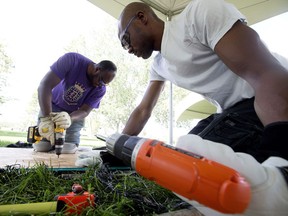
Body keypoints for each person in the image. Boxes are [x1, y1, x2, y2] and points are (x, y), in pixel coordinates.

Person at [116, 0, 288, 214]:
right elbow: (143, 110)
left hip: (270, 101)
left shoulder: (198, 16)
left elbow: (266, 74)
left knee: (184, 163)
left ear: (142, 17)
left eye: (125, 39)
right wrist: (117, 144)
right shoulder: (159, 65)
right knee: (175, 160)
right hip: (233, 113)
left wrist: (279, 160)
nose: (128, 48)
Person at [37, 52, 117, 151]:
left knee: (68, 149)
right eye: (100, 81)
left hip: (74, 114)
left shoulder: (100, 89)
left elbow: (85, 111)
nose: (99, 85)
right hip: (51, 106)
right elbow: (45, 85)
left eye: (104, 84)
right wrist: (46, 118)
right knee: (42, 147)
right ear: (97, 69)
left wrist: (69, 118)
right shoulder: (72, 60)